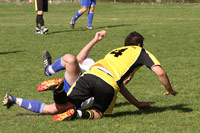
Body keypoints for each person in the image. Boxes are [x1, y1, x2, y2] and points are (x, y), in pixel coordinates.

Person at [36, 30, 178, 121]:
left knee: (64, 106)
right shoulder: (141, 52)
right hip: (107, 84)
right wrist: (169, 89)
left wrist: (137, 104)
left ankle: (58, 89)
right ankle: (76, 114)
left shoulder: (114, 52)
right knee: (99, 113)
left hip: (90, 75)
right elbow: (160, 72)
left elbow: (121, 85)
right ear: (139, 44)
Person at [2, 31, 107, 114]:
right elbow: (79, 58)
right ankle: (50, 72)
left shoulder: (112, 75)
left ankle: (14, 99)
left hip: (84, 95)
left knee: (54, 109)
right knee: (70, 59)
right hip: (77, 82)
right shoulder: (95, 64)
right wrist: (95, 40)